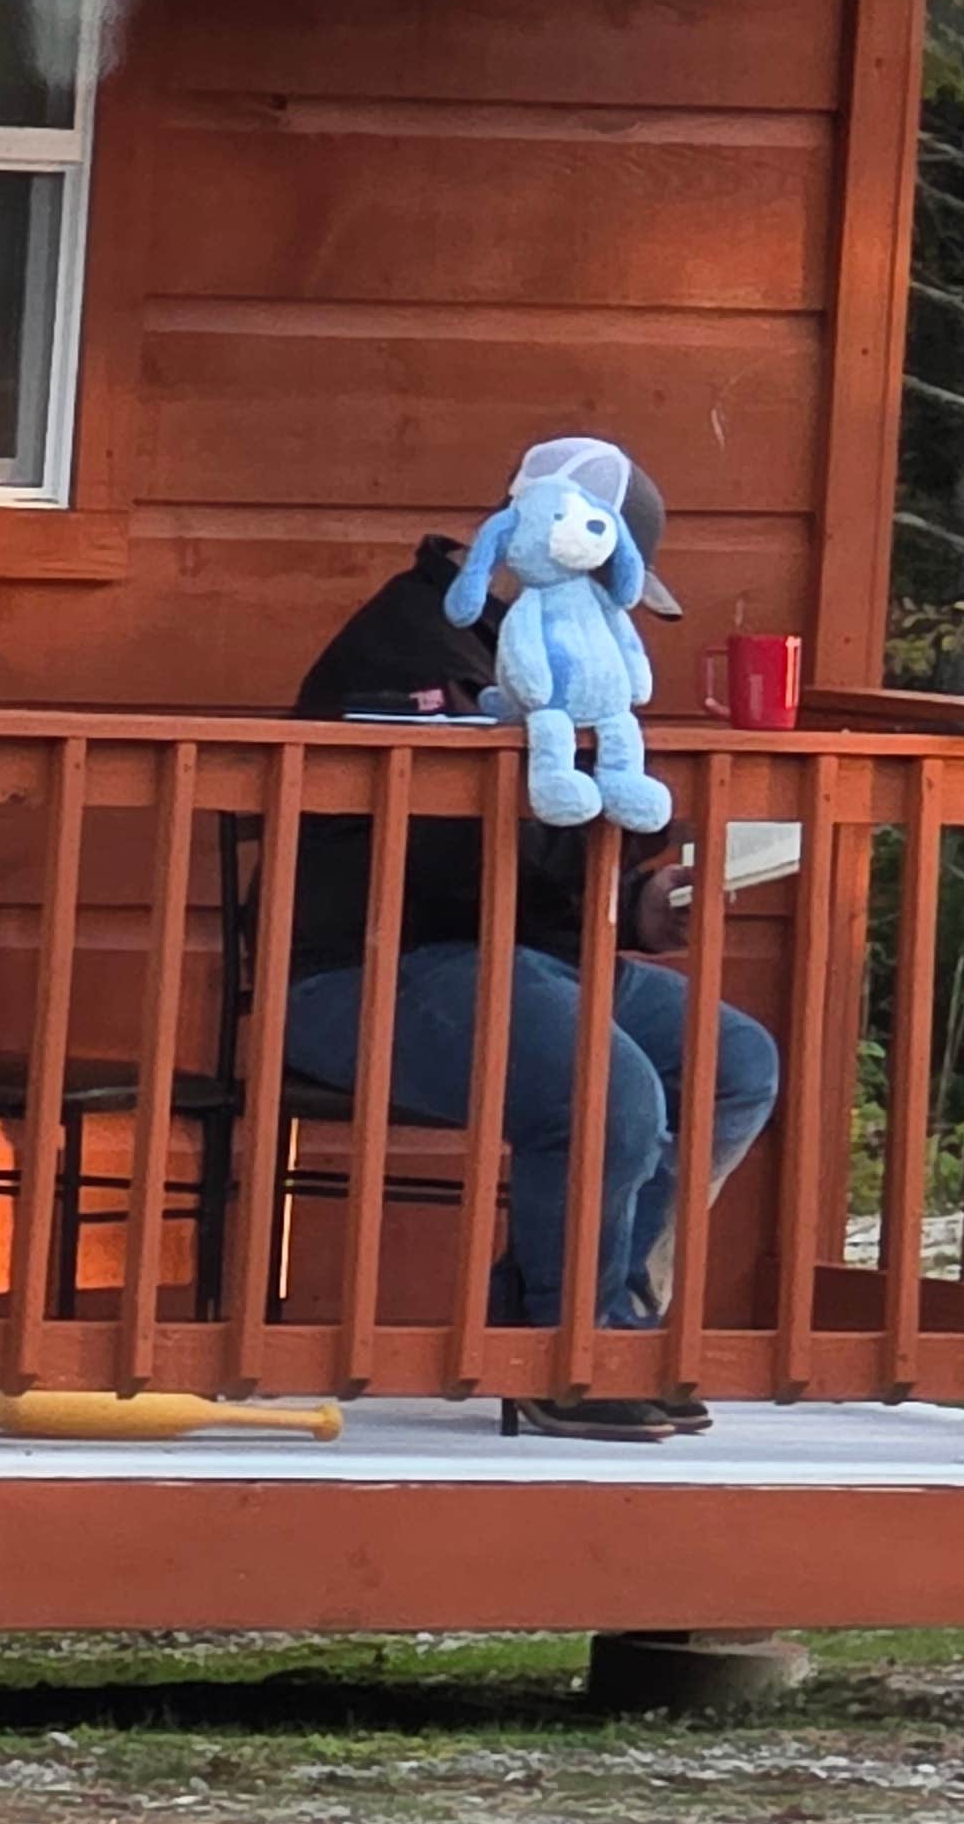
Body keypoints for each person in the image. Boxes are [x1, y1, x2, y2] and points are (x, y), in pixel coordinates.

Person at [279, 476, 780, 1444]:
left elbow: (542, 848)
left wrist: (640, 897)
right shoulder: (413, 644)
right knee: (608, 1085)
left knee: (735, 1062)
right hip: (377, 965)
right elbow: (450, 850)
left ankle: (607, 1319)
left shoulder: (565, 661)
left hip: (529, 958)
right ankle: (569, 1349)